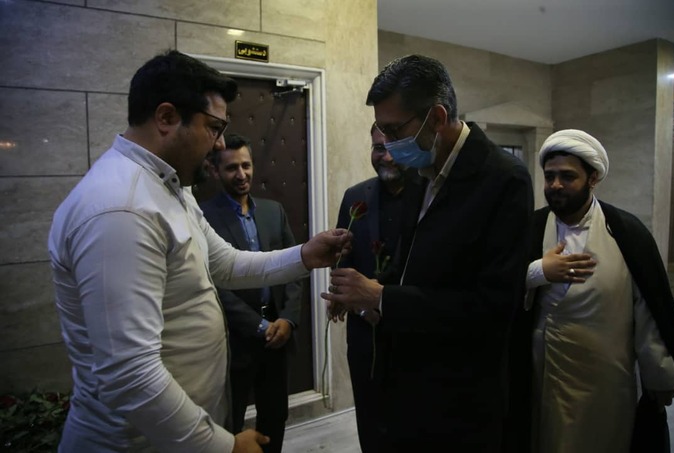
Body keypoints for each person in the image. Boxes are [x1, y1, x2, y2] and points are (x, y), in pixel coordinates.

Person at [48, 50, 350, 453]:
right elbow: (130, 372)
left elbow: (224, 263)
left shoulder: (170, 188)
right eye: (214, 127)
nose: (220, 143)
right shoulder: (121, 208)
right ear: (167, 117)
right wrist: (223, 446)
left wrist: (305, 256)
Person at [321, 54, 534, 452]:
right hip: (403, 387)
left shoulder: (504, 180)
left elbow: (492, 309)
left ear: (436, 118)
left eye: (393, 130)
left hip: (458, 400)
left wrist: (382, 298)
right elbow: (410, 269)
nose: (387, 144)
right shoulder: (423, 171)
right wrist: (370, 301)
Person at [506, 129, 674, 453]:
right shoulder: (531, 227)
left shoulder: (625, 232)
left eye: (568, 176)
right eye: (550, 176)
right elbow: (496, 285)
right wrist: (539, 271)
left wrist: (660, 373)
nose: (556, 185)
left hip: (604, 379)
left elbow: (646, 309)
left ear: (593, 178)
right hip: (542, 373)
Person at [200, 133, 301, 453]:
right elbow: (213, 282)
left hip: (278, 336)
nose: (241, 174)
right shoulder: (202, 217)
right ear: (215, 171)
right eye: (232, 168)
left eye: (246, 165)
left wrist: (288, 320)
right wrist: (258, 326)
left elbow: (292, 270)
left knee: (275, 416)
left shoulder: (273, 211)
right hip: (236, 341)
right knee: (230, 423)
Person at [333, 124, 406, 452]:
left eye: (395, 147)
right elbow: (341, 260)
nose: (386, 156)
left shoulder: (430, 196)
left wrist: (385, 302)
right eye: (378, 148)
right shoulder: (355, 196)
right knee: (371, 425)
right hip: (364, 337)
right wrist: (349, 300)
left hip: (412, 337)